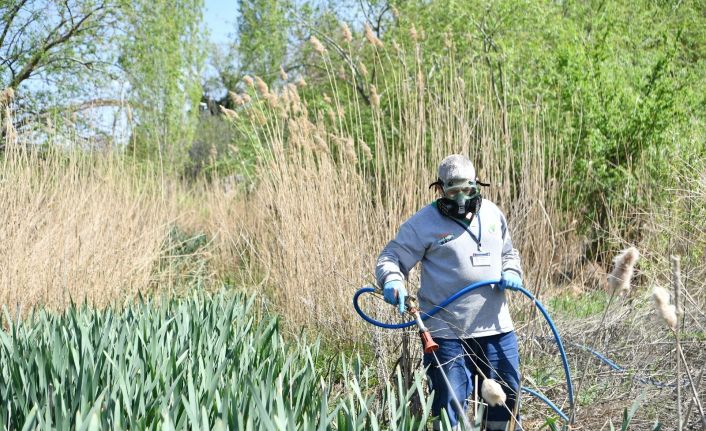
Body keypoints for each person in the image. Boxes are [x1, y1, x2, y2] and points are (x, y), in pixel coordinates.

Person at [376, 154, 523, 430]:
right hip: (445, 333)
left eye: (467, 190)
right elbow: (391, 257)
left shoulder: (493, 213)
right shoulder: (423, 223)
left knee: (506, 395)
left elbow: (508, 253)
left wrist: (512, 271)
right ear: (440, 188)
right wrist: (392, 280)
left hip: (496, 327)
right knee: (450, 402)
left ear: (477, 185)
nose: (460, 198)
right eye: (453, 191)